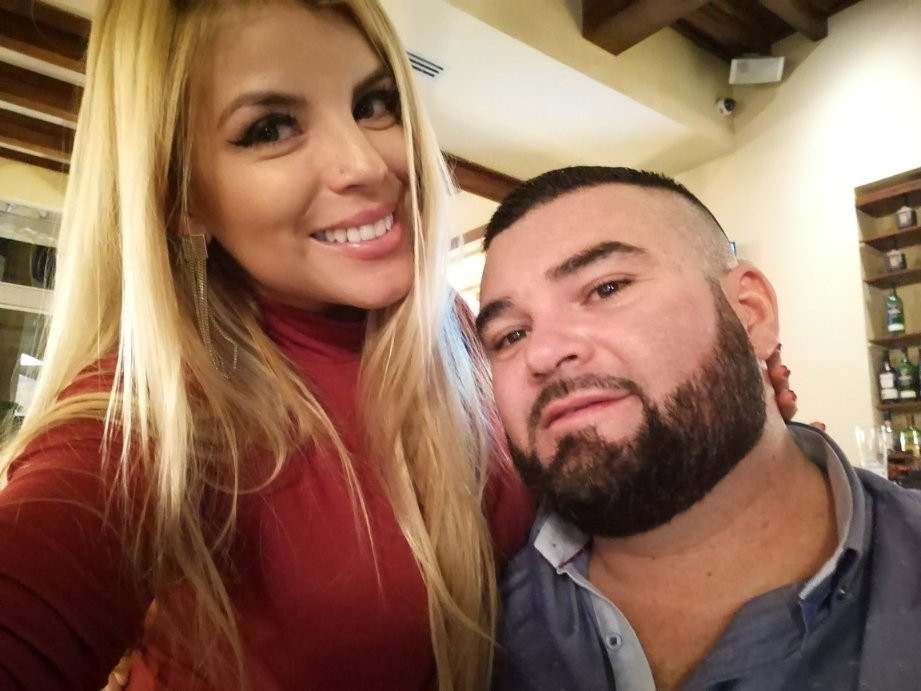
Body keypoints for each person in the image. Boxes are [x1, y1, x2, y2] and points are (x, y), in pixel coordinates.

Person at [0, 2, 536, 689]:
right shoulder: (154, 412)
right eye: (270, 129)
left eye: (373, 104)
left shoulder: (456, 325)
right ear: (182, 200)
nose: (365, 164)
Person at [476, 166, 921, 690]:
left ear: (750, 313)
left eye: (607, 288)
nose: (544, 353)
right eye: (510, 336)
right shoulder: (467, 625)